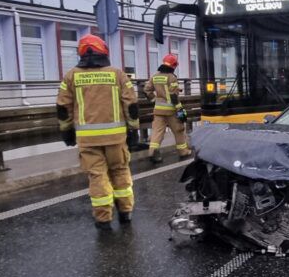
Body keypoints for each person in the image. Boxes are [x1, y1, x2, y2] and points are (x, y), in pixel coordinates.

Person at [56, 34, 139, 231]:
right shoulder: (118, 74)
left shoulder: (71, 76)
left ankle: (103, 219)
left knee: (97, 176)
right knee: (120, 172)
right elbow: (132, 104)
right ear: (103, 51)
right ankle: (125, 212)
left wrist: (66, 131)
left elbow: (62, 107)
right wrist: (133, 129)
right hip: (116, 138)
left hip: (88, 141)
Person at [143, 54, 191, 163]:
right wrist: (179, 109)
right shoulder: (171, 77)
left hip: (158, 110)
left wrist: (154, 100)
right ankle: (183, 151)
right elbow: (173, 96)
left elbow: (146, 90)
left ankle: (152, 152)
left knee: (157, 131)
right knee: (179, 130)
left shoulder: (155, 76)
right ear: (173, 65)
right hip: (171, 111)